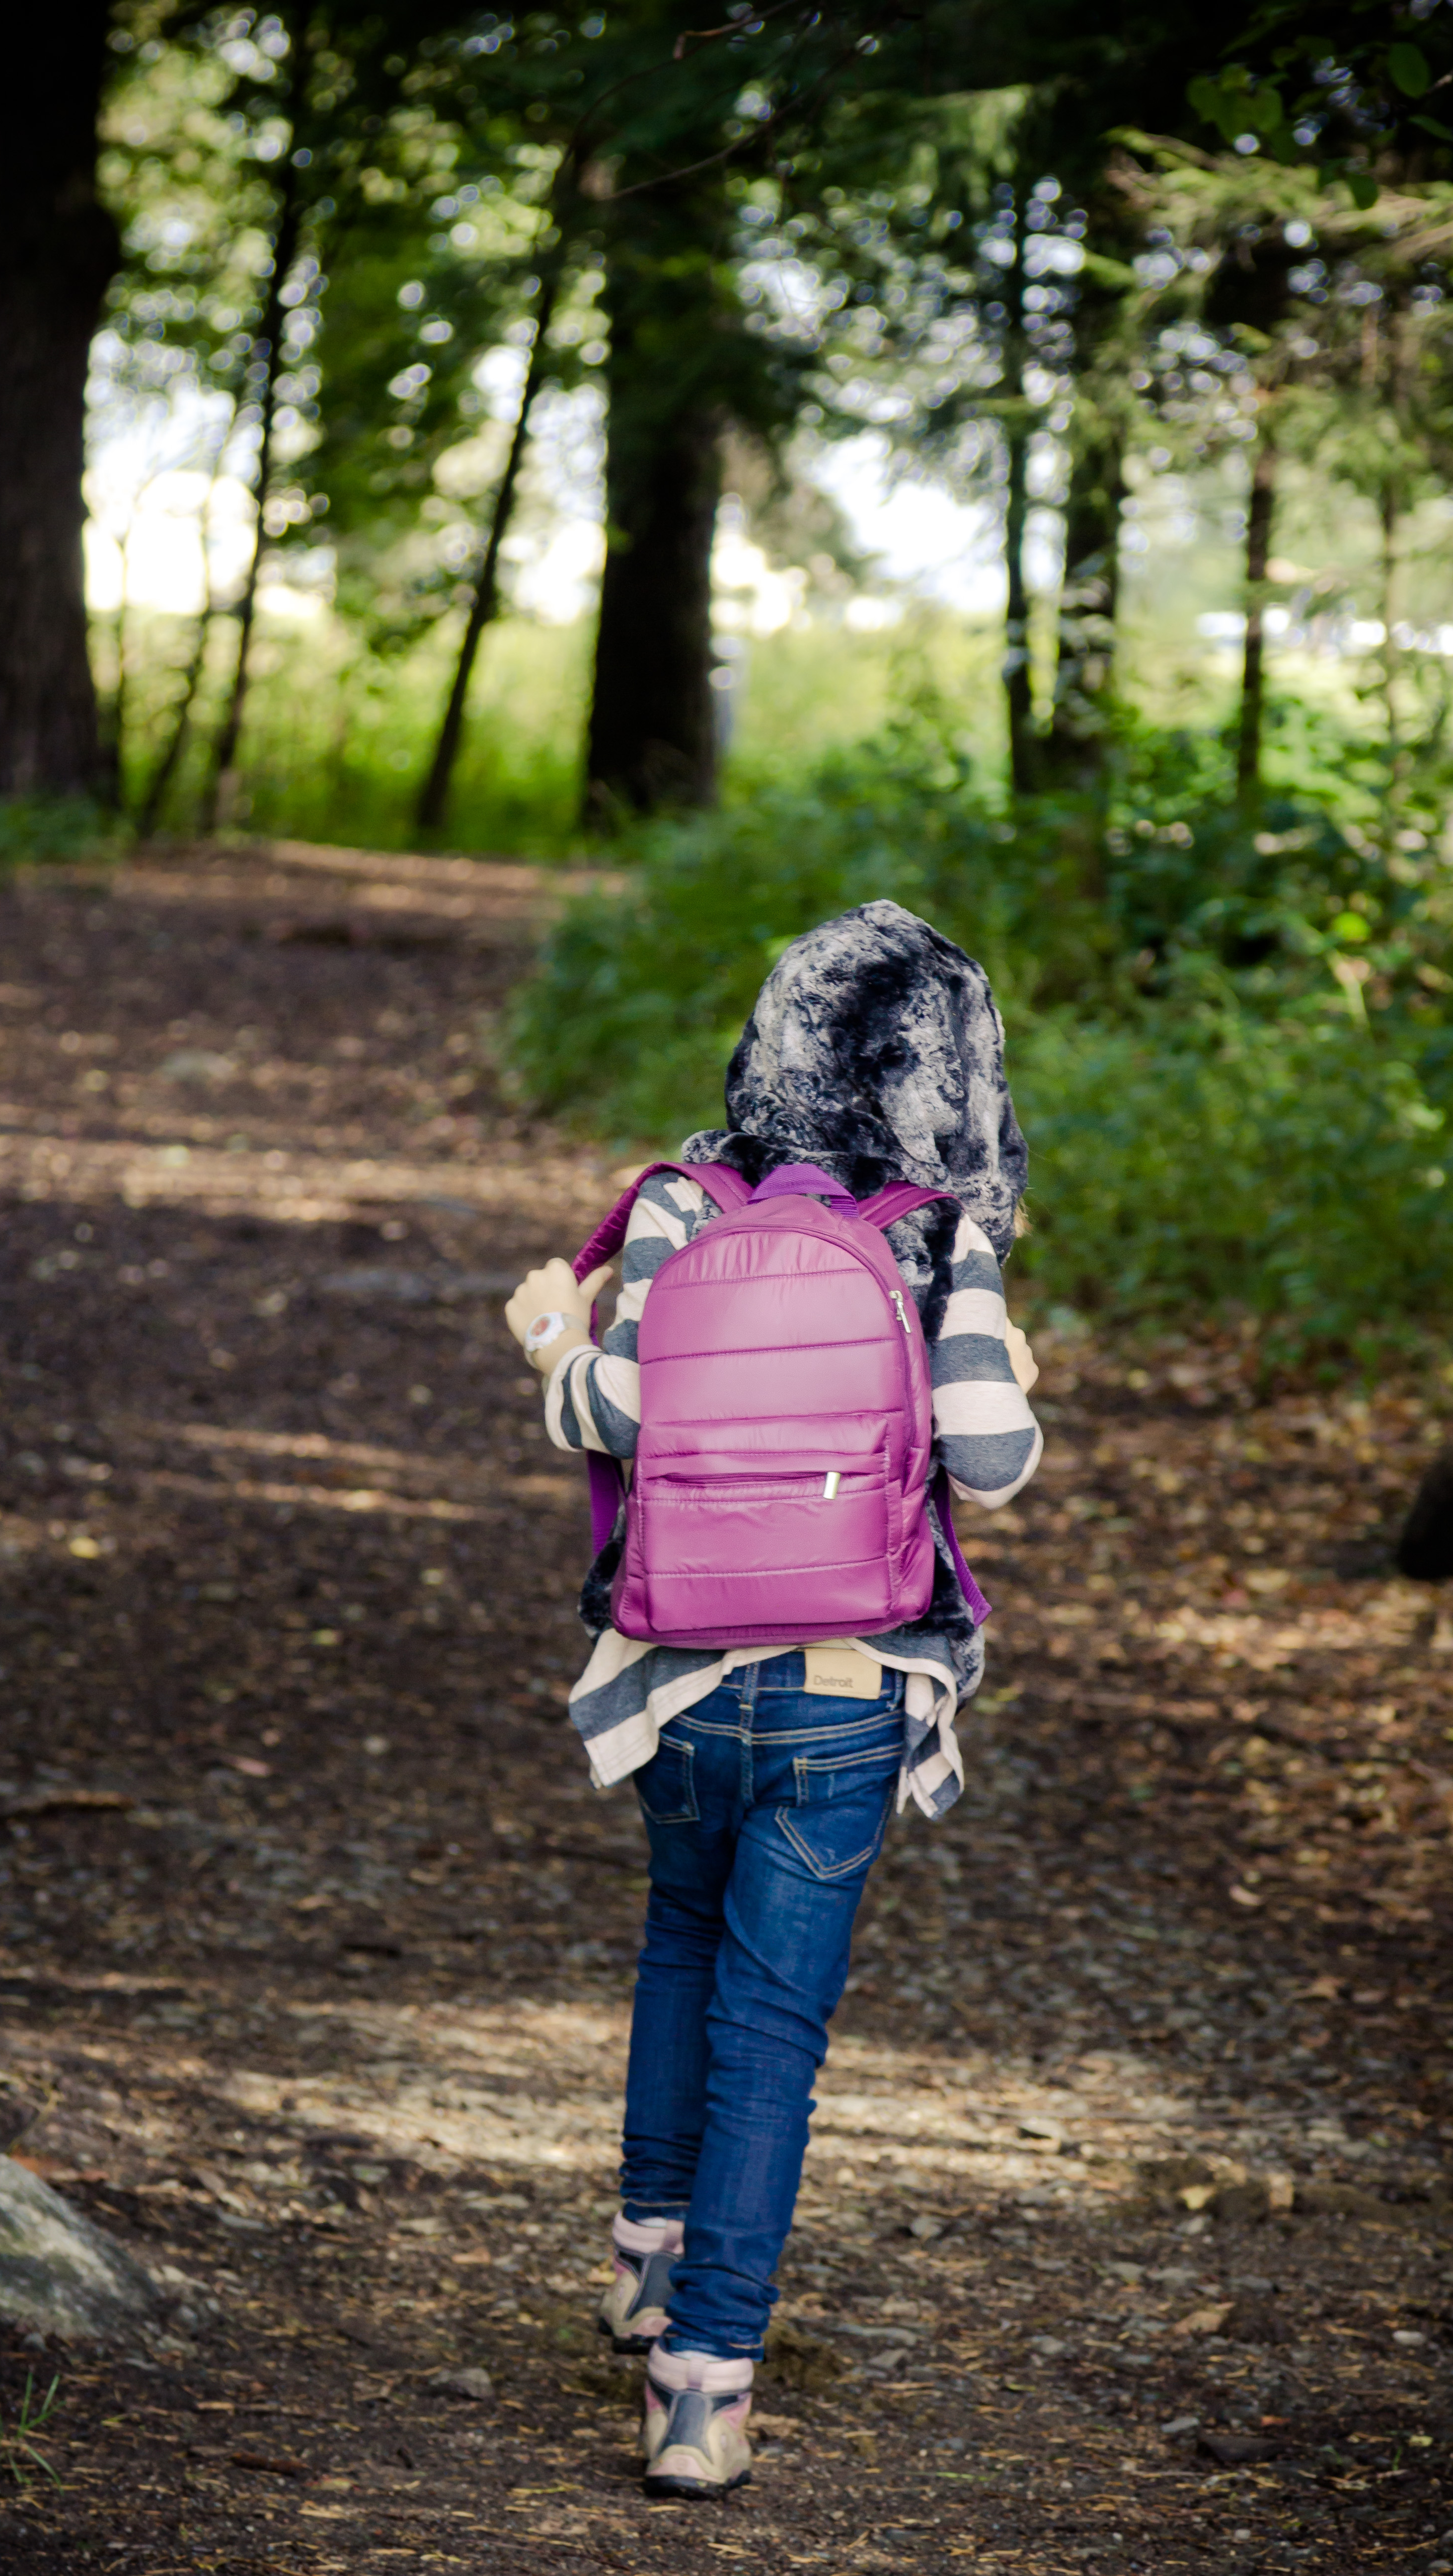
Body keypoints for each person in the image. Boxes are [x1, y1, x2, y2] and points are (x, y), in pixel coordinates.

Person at [503, 900, 1042, 2499]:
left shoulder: (681, 1199)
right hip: (846, 1688)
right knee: (772, 2029)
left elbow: (613, 1413)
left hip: (675, 1681)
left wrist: (549, 1335)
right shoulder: (941, 1230)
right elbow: (996, 1461)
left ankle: (642, 2262)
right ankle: (702, 2390)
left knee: (679, 1941)